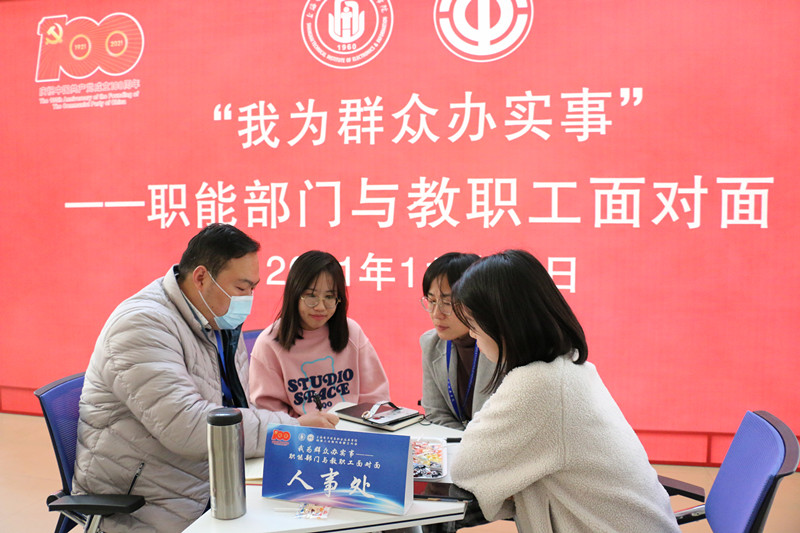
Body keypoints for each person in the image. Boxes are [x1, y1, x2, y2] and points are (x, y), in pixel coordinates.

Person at [72, 224, 338, 533]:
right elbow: (187, 426)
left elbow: (239, 405)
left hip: (211, 478)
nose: (248, 298)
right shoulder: (141, 325)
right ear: (201, 278)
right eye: (241, 288)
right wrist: (289, 429)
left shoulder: (216, 320)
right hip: (150, 501)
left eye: (253, 288)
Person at [448, 250, 680, 533]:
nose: (472, 336)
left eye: (473, 325)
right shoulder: (570, 367)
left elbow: (466, 467)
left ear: (503, 324)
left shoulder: (539, 385)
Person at [249, 250, 390, 416]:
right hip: (298, 430)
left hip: (353, 428)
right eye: (311, 296)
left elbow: (376, 398)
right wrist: (303, 424)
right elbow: (269, 415)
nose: (320, 307)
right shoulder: (269, 344)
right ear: (295, 294)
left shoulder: (352, 332)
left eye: (329, 297)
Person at [419, 252, 496, 430]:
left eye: (447, 303)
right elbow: (435, 413)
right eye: (432, 301)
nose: (436, 314)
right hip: (457, 443)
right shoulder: (431, 343)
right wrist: (462, 441)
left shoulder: (500, 346)